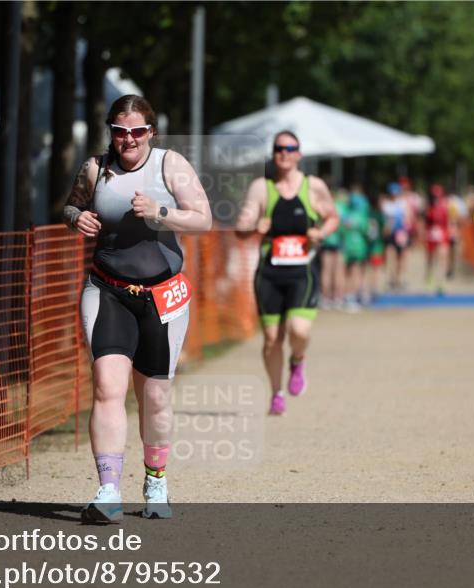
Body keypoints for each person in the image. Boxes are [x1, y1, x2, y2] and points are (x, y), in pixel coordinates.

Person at [63, 94, 212, 523]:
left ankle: (156, 480)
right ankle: (108, 489)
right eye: (119, 131)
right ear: (110, 131)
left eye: (137, 131)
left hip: (162, 295)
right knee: (107, 387)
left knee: (155, 397)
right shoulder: (96, 168)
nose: (128, 140)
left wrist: (160, 211)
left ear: (152, 132)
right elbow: (72, 204)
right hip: (107, 290)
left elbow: (203, 218)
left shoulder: (170, 166)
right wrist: (77, 219)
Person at [235, 130, 339, 416]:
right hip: (269, 273)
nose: (284, 153)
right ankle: (276, 393)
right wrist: (256, 227)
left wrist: (321, 232)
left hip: (302, 271)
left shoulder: (313, 186)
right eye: (279, 148)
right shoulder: (260, 188)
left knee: (299, 329)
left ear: (299, 154)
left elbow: (332, 217)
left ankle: (298, 358)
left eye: (290, 148)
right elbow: (240, 227)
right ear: (274, 153)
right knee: (271, 339)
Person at [424, 184, 451, 295]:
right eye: (434, 196)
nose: (436, 198)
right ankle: (429, 274)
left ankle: (440, 283)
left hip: (442, 235)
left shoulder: (446, 206)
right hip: (431, 235)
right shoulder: (429, 207)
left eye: (438, 196)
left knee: (443, 258)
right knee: (431, 259)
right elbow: (426, 222)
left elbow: (450, 220)